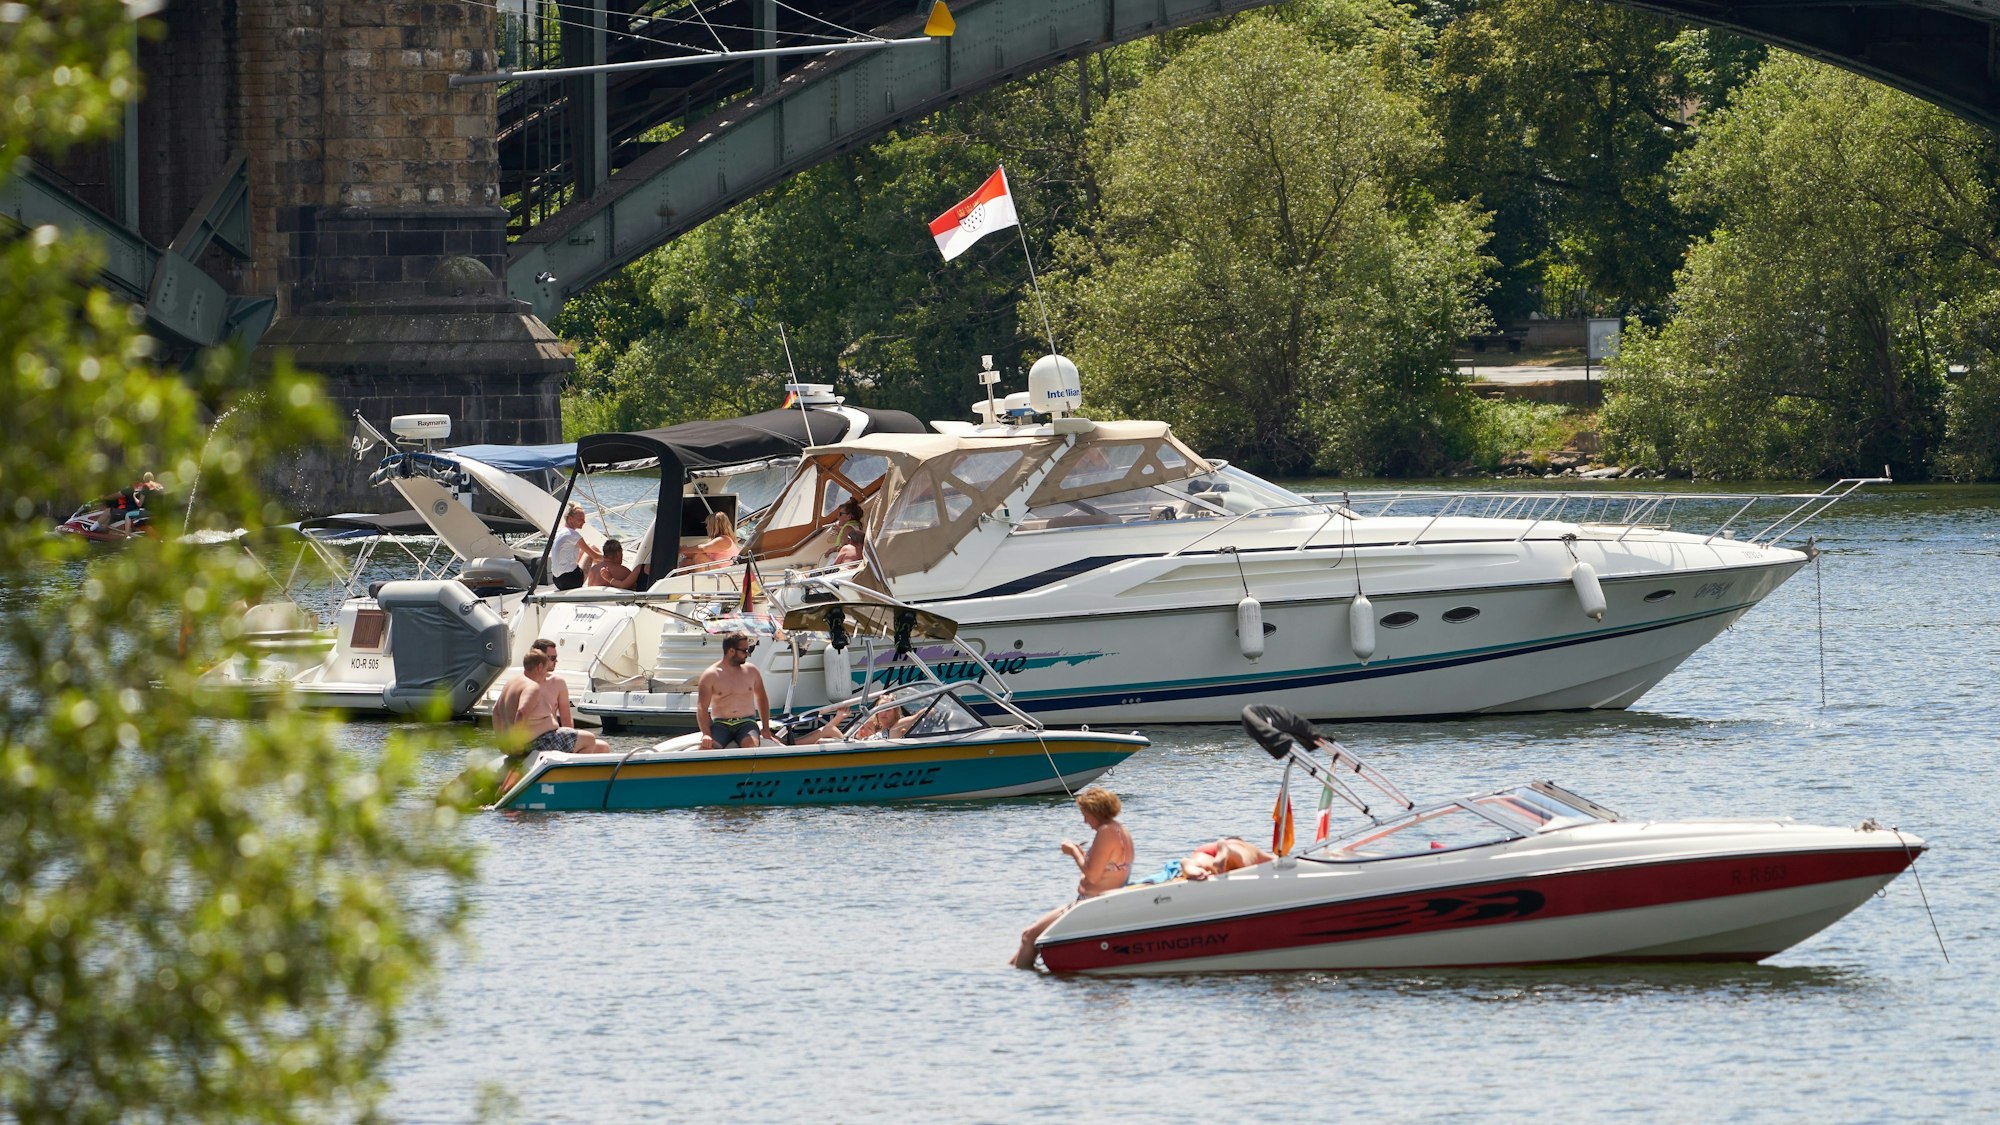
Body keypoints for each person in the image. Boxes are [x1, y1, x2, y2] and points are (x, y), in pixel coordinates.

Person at [1012, 787, 1133, 970]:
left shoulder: (1106, 831)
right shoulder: (1120, 830)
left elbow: (1092, 876)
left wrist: (1073, 851)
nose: (1085, 821)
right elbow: (1104, 868)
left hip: (1090, 903)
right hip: (1096, 901)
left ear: (1096, 811)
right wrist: (1084, 855)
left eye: (1086, 815)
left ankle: (1016, 985)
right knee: (1028, 937)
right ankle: (1008, 975)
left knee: (1029, 935)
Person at [491, 650, 605, 792]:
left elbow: (495, 712)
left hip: (534, 741)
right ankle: (569, 783)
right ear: (539, 667)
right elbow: (522, 712)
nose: (546, 675)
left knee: (601, 746)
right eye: (546, 670)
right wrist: (517, 743)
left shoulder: (511, 683)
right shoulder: (531, 687)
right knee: (589, 739)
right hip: (537, 742)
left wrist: (501, 742)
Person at [696, 632, 774, 749]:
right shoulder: (710, 675)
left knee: (751, 747)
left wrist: (766, 728)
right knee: (706, 748)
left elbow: (762, 698)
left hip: (747, 723)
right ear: (731, 651)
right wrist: (706, 734)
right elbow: (702, 707)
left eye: (748, 650)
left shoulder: (752, 671)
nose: (748, 654)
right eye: (744, 651)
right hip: (721, 724)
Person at [549, 504, 599, 590]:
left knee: (587, 545)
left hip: (557, 580)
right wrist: (609, 558)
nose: (584, 522)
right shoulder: (573, 534)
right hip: (571, 581)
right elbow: (595, 556)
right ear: (570, 519)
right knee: (593, 548)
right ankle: (606, 574)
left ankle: (603, 572)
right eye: (580, 519)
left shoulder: (559, 532)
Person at [1180, 836, 1274, 881]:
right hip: (1231, 847)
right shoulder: (1248, 847)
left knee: (1198, 863)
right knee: (1242, 861)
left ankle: (1189, 864)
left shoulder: (1211, 846)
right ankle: (1227, 851)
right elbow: (1275, 860)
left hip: (1203, 850)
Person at [530, 638, 572, 727]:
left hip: (552, 736)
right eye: (553, 658)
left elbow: (566, 720)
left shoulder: (558, 683)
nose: (556, 661)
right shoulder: (522, 683)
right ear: (540, 659)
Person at [827, 498, 865, 566]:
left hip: (846, 561)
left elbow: (847, 547)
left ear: (849, 517)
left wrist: (832, 550)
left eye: (840, 514)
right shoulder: (856, 526)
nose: (837, 516)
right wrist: (840, 532)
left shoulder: (847, 528)